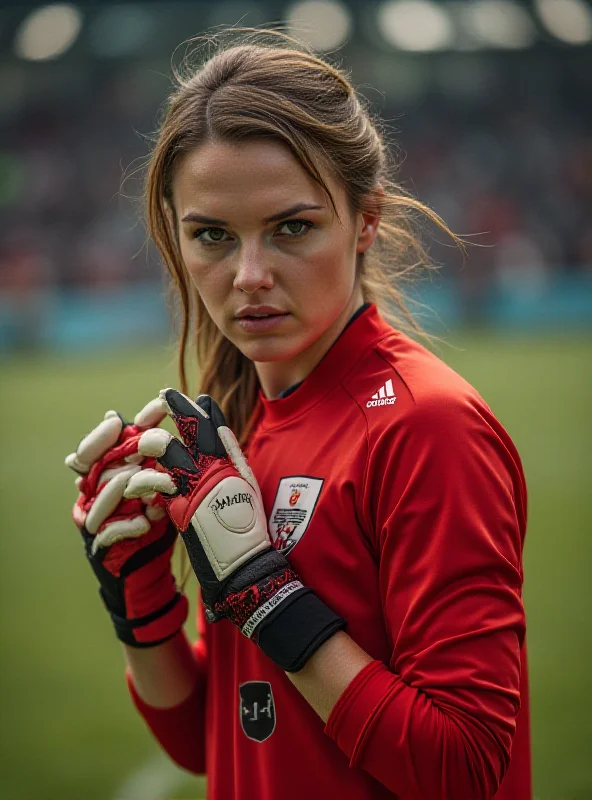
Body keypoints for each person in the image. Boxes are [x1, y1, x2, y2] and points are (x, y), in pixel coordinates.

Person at [66, 28, 531, 800]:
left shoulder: (427, 425)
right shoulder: (238, 429)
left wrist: (261, 591)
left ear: (367, 221)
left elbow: (466, 768)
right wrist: (137, 594)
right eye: (211, 235)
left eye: (292, 228)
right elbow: (214, 738)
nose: (248, 276)